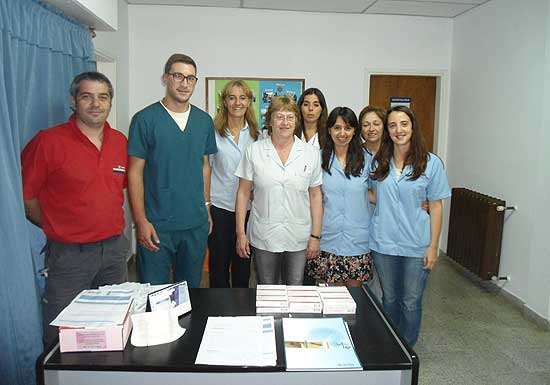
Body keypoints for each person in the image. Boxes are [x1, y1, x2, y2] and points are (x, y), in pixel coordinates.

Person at [21, 72, 129, 348]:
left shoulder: (120, 142)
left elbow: (119, 190)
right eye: (87, 96)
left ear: (110, 102)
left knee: (114, 326)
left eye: (103, 97)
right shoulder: (48, 142)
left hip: (115, 253)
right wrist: (57, 224)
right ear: (73, 101)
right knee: (62, 335)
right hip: (69, 257)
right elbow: (26, 197)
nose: (96, 104)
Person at [127, 53, 217, 287]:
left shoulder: (204, 121)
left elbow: (204, 166)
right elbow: (134, 172)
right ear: (165, 78)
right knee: (153, 292)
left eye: (190, 78)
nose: (184, 83)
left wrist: (206, 208)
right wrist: (140, 221)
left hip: (194, 223)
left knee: (190, 292)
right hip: (158, 225)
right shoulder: (145, 119)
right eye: (178, 76)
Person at [369, 105, 451, 346]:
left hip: (416, 244)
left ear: (413, 127)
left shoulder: (430, 163)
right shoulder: (379, 162)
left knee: (411, 300)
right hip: (383, 243)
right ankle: (391, 345)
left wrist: (433, 246)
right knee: (390, 298)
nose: (398, 130)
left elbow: (436, 206)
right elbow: (371, 194)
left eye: (403, 124)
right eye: (392, 125)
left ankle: (407, 349)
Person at [235, 96, 323, 285]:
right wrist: (241, 234)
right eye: (279, 117)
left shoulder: (310, 153)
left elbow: (315, 195)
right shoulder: (254, 151)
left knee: (295, 286)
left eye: (290, 117)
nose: (285, 122)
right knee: (267, 286)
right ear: (270, 121)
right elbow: (243, 193)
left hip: (298, 234)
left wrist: (315, 236)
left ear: (296, 121)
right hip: (264, 233)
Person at [306, 107, 372, 287]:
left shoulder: (368, 160)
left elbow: (380, 193)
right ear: (329, 130)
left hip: (357, 242)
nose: (342, 133)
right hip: (326, 239)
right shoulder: (317, 159)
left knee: (353, 300)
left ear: (355, 131)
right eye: (337, 128)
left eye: (348, 128)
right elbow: (310, 195)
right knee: (326, 301)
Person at [208, 80, 259, 288]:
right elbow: (207, 170)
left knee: (242, 267)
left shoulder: (258, 134)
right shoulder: (213, 132)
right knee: (218, 268)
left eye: (242, 97)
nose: (237, 102)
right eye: (232, 97)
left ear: (248, 102)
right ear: (224, 102)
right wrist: (206, 208)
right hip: (220, 208)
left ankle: (241, 313)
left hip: (248, 210)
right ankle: (217, 314)